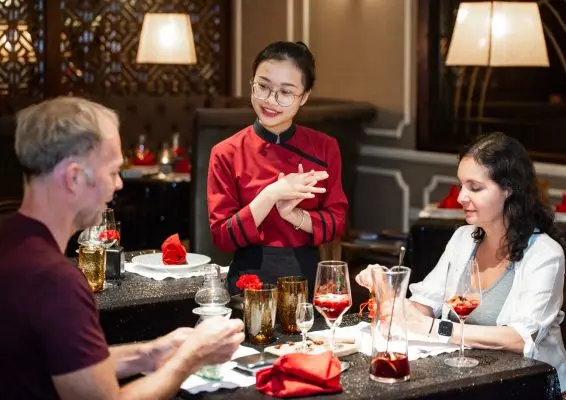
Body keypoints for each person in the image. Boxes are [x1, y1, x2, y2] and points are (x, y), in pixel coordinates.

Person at [0, 97, 245, 400]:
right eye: (113, 171)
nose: (118, 184)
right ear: (74, 177)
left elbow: (67, 367)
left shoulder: (10, 241)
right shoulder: (55, 280)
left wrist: (149, 353)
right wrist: (192, 356)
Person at [356, 132, 566, 391]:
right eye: (461, 185)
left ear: (508, 189)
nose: (460, 197)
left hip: (529, 386)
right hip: (468, 381)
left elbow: (519, 339)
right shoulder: (463, 238)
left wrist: (436, 328)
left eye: (475, 187)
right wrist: (387, 289)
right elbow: (426, 303)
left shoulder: (545, 254)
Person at [207, 41, 348, 296]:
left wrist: (295, 216)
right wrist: (271, 194)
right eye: (262, 86)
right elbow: (222, 237)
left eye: (285, 92)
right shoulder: (226, 152)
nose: (270, 100)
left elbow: (337, 222)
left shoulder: (325, 147)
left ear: (304, 96)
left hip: (307, 280)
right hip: (248, 283)